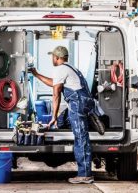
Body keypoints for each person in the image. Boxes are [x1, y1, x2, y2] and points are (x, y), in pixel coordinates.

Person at [31, 46, 94, 184]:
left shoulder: (60, 69)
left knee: (81, 137)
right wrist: (36, 74)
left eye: (52, 56)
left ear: (57, 58)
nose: (52, 59)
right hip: (83, 101)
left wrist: (53, 116)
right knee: (68, 125)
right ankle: (84, 172)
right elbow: (54, 83)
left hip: (77, 103)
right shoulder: (69, 68)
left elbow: (56, 93)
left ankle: (85, 175)